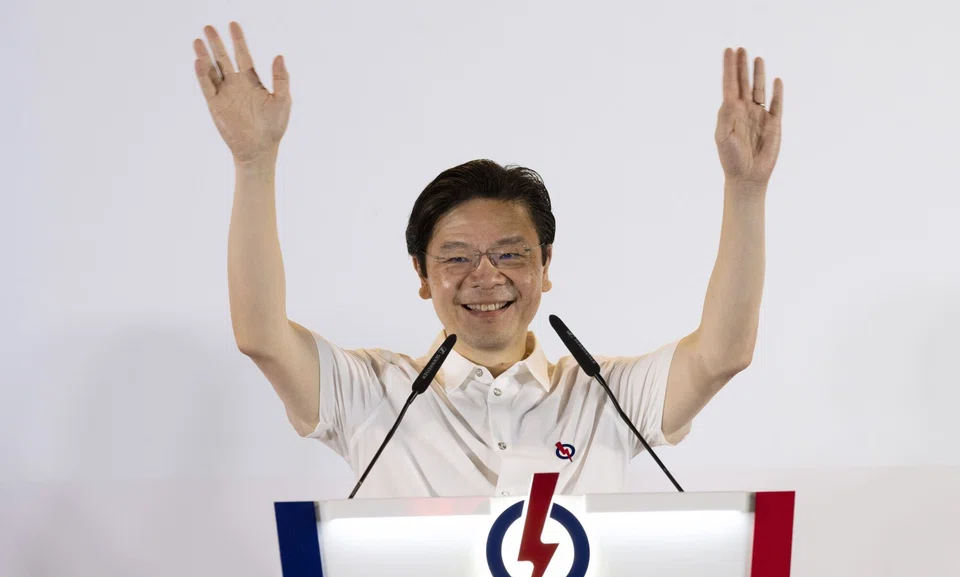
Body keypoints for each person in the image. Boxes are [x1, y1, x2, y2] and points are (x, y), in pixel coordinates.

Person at [194, 22, 783, 498]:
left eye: (509, 253)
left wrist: (746, 190)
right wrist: (254, 162)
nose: (486, 276)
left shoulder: (606, 396)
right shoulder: (372, 394)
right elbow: (262, 336)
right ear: (422, 277)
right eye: (456, 257)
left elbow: (722, 354)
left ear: (545, 266)